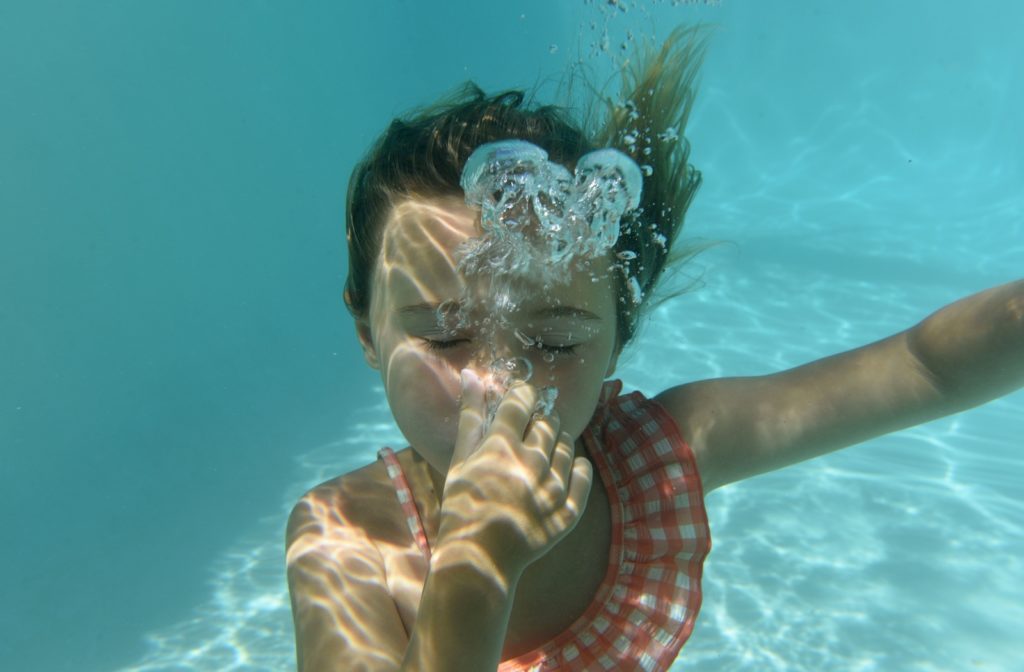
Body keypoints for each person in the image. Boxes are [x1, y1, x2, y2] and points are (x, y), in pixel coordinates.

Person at [284, 25, 1023, 672]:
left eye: (555, 339)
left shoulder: (651, 469)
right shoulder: (344, 539)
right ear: (367, 336)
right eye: (444, 334)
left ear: (615, 345)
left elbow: (924, 368)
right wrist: (475, 565)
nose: (499, 383)